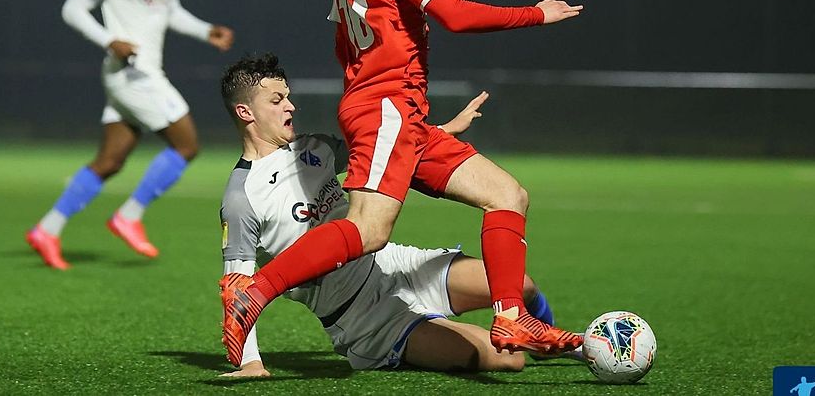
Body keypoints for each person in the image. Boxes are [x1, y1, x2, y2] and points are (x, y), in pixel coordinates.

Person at [221, 0, 583, 366]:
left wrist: (409, 117)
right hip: (386, 107)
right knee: (370, 230)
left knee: (507, 195)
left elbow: (348, 42)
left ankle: (510, 316)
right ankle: (255, 292)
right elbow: (454, 14)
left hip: (398, 113)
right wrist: (536, 14)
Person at [219, 54, 574, 374]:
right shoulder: (241, 198)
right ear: (246, 112)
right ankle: (422, 337)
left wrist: (443, 131)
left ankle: (549, 341)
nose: (290, 107)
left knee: (520, 285)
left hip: (396, 266)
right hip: (362, 317)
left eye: (288, 97)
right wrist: (251, 362)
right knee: (508, 360)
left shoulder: (315, 148)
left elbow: (385, 151)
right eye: (277, 100)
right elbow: (238, 289)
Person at [26, 0, 235, 270]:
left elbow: (170, 12)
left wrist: (207, 31)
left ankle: (47, 229)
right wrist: (110, 40)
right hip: (132, 73)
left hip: (140, 74)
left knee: (110, 161)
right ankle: (129, 216)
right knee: (187, 145)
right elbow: (72, 9)